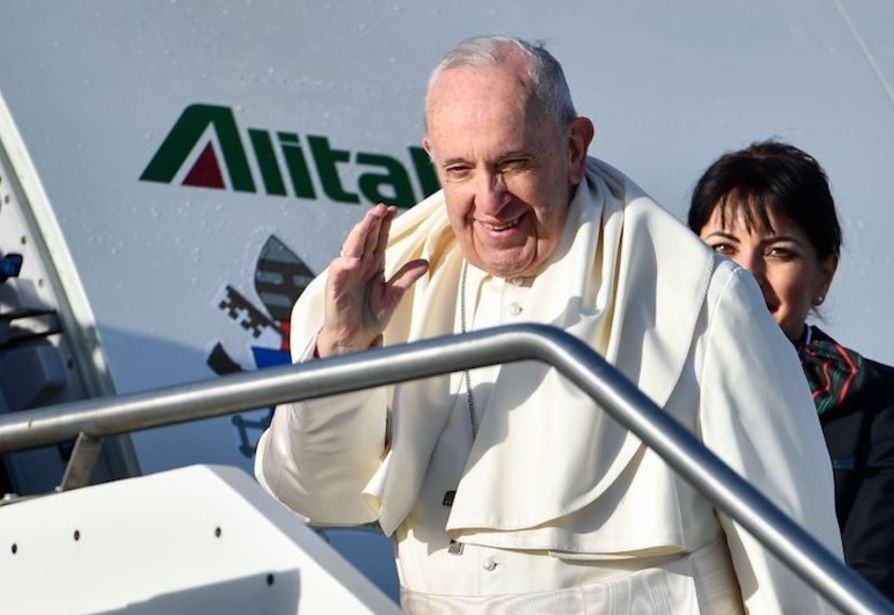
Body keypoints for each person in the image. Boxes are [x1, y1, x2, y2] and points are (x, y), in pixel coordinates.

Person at [256, 36, 843, 614]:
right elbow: (317, 494)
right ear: (431, 156)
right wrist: (343, 353)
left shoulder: (697, 297)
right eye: (460, 169)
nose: (490, 201)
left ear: (574, 147)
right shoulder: (391, 286)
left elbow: (790, 559)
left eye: (513, 163)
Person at [688, 140, 894, 614]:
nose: (744, 275)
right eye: (722, 248)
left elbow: (878, 585)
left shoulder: (885, 406)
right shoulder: (643, 386)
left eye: (778, 252)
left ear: (823, 276)